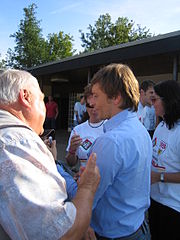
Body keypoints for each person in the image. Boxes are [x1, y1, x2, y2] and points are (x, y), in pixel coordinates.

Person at [0, 69, 100, 240]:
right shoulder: (16, 143)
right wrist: (88, 187)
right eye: (41, 99)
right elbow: (62, 233)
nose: (45, 108)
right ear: (25, 97)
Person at [87, 63, 152, 239]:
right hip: (138, 228)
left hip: (113, 234)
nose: (91, 103)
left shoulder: (111, 141)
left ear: (116, 97)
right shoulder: (141, 131)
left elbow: (88, 197)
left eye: (96, 96)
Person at [149, 80, 180, 240]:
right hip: (155, 201)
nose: (151, 104)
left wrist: (159, 177)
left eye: (155, 100)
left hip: (173, 207)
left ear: (168, 100)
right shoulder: (161, 126)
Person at [66, 84, 105, 171]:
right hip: (83, 180)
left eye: (96, 105)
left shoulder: (110, 128)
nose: (93, 109)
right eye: (90, 106)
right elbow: (71, 163)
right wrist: (72, 150)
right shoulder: (78, 130)